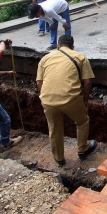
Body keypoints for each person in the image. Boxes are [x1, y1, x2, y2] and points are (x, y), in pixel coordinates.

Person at [36, 34, 97, 166]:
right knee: (82, 121)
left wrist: (45, 97)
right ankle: (83, 148)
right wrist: (85, 100)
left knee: (54, 128)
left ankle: (59, 158)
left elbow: (39, 82)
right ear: (73, 46)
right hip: (70, 98)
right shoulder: (80, 57)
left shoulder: (45, 58)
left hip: (47, 99)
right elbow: (87, 82)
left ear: (58, 46)